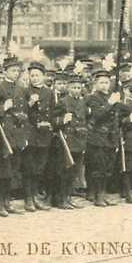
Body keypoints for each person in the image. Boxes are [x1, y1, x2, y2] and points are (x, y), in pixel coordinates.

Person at [0, 56, 28, 217]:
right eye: (12, 70)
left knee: (12, 170)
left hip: (16, 134)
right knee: (1, 171)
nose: (15, 73)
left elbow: (25, 112)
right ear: (5, 71)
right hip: (2, 135)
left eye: (17, 70)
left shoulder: (21, 89)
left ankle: (6, 201)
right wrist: (3, 107)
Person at [84, 69, 121, 207]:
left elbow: (116, 117)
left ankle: (102, 193)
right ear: (95, 84)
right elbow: (97, 115)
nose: (104, 85)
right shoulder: (92, 98)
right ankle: (97, 195)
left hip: (111, 137)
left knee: (107, 168)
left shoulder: (112, 97)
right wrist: (110, 103)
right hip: (97, 137)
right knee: (98, 167)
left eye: (107, 82)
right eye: (101, 82)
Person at [22, 61, 56, 211]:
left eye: (37, 75)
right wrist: (29, 103)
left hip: (44, 134)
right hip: (30, 133)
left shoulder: (49, 92)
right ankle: (28, 198)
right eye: (32, 75)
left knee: (39, 167)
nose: (34, 78)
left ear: (43, 76)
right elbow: (21, 112)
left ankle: (35, 196)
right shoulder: (25, 91)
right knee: (29, 167)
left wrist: (50, 124)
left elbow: (54, 112)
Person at [53, 74, 88, 209]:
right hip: (66, 141)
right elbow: (54, 120)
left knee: (73, 172)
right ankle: (60, 199)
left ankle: (68, 197)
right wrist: (62, 120)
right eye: (73, 87)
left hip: (79, 140)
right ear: (68, 88)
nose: (76, 90)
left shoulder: (82, 102)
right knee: (64, 171)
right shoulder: (62, 102)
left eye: (79, 87)